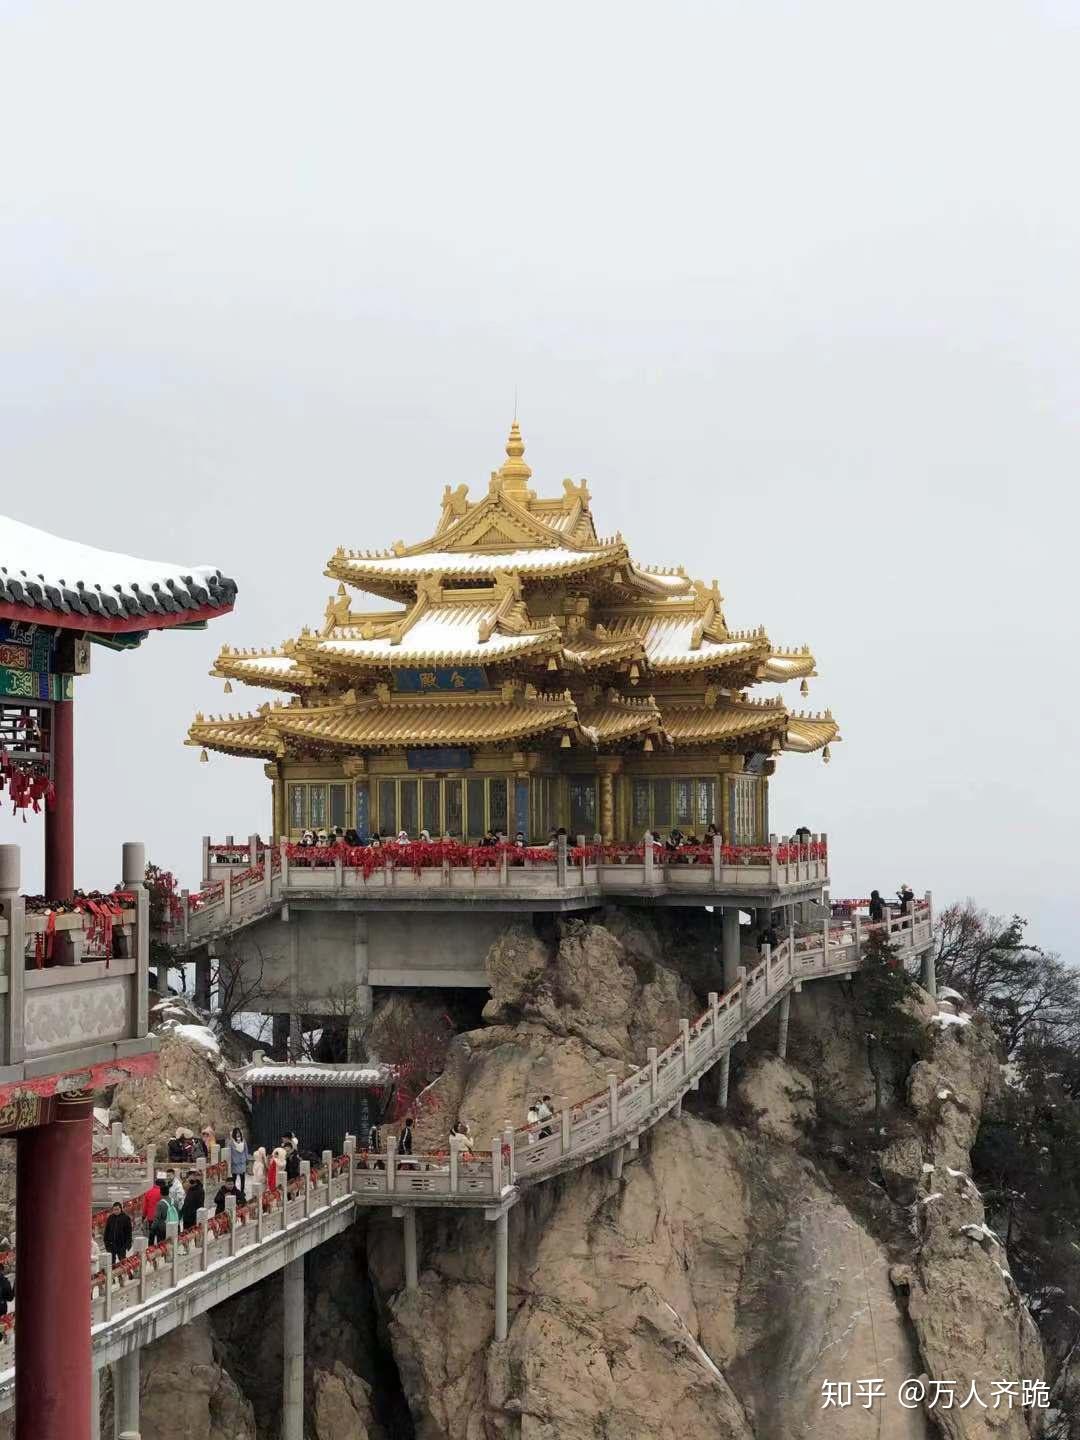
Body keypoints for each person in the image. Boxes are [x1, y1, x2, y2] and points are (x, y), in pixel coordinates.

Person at [228, 1126, 250, 1200]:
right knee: (234, 1178)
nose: (238, 1135)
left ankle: (242, 1191)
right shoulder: (231, 1142)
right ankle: (233, 1191)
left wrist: (247, 1159)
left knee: (242, 1178)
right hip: (234, 1163)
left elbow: (246, 1150)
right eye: (236, 1133)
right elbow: (229, 1152)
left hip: (242, 1162)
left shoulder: (243, 1141)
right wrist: (231, 1161)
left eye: (239, 1133)